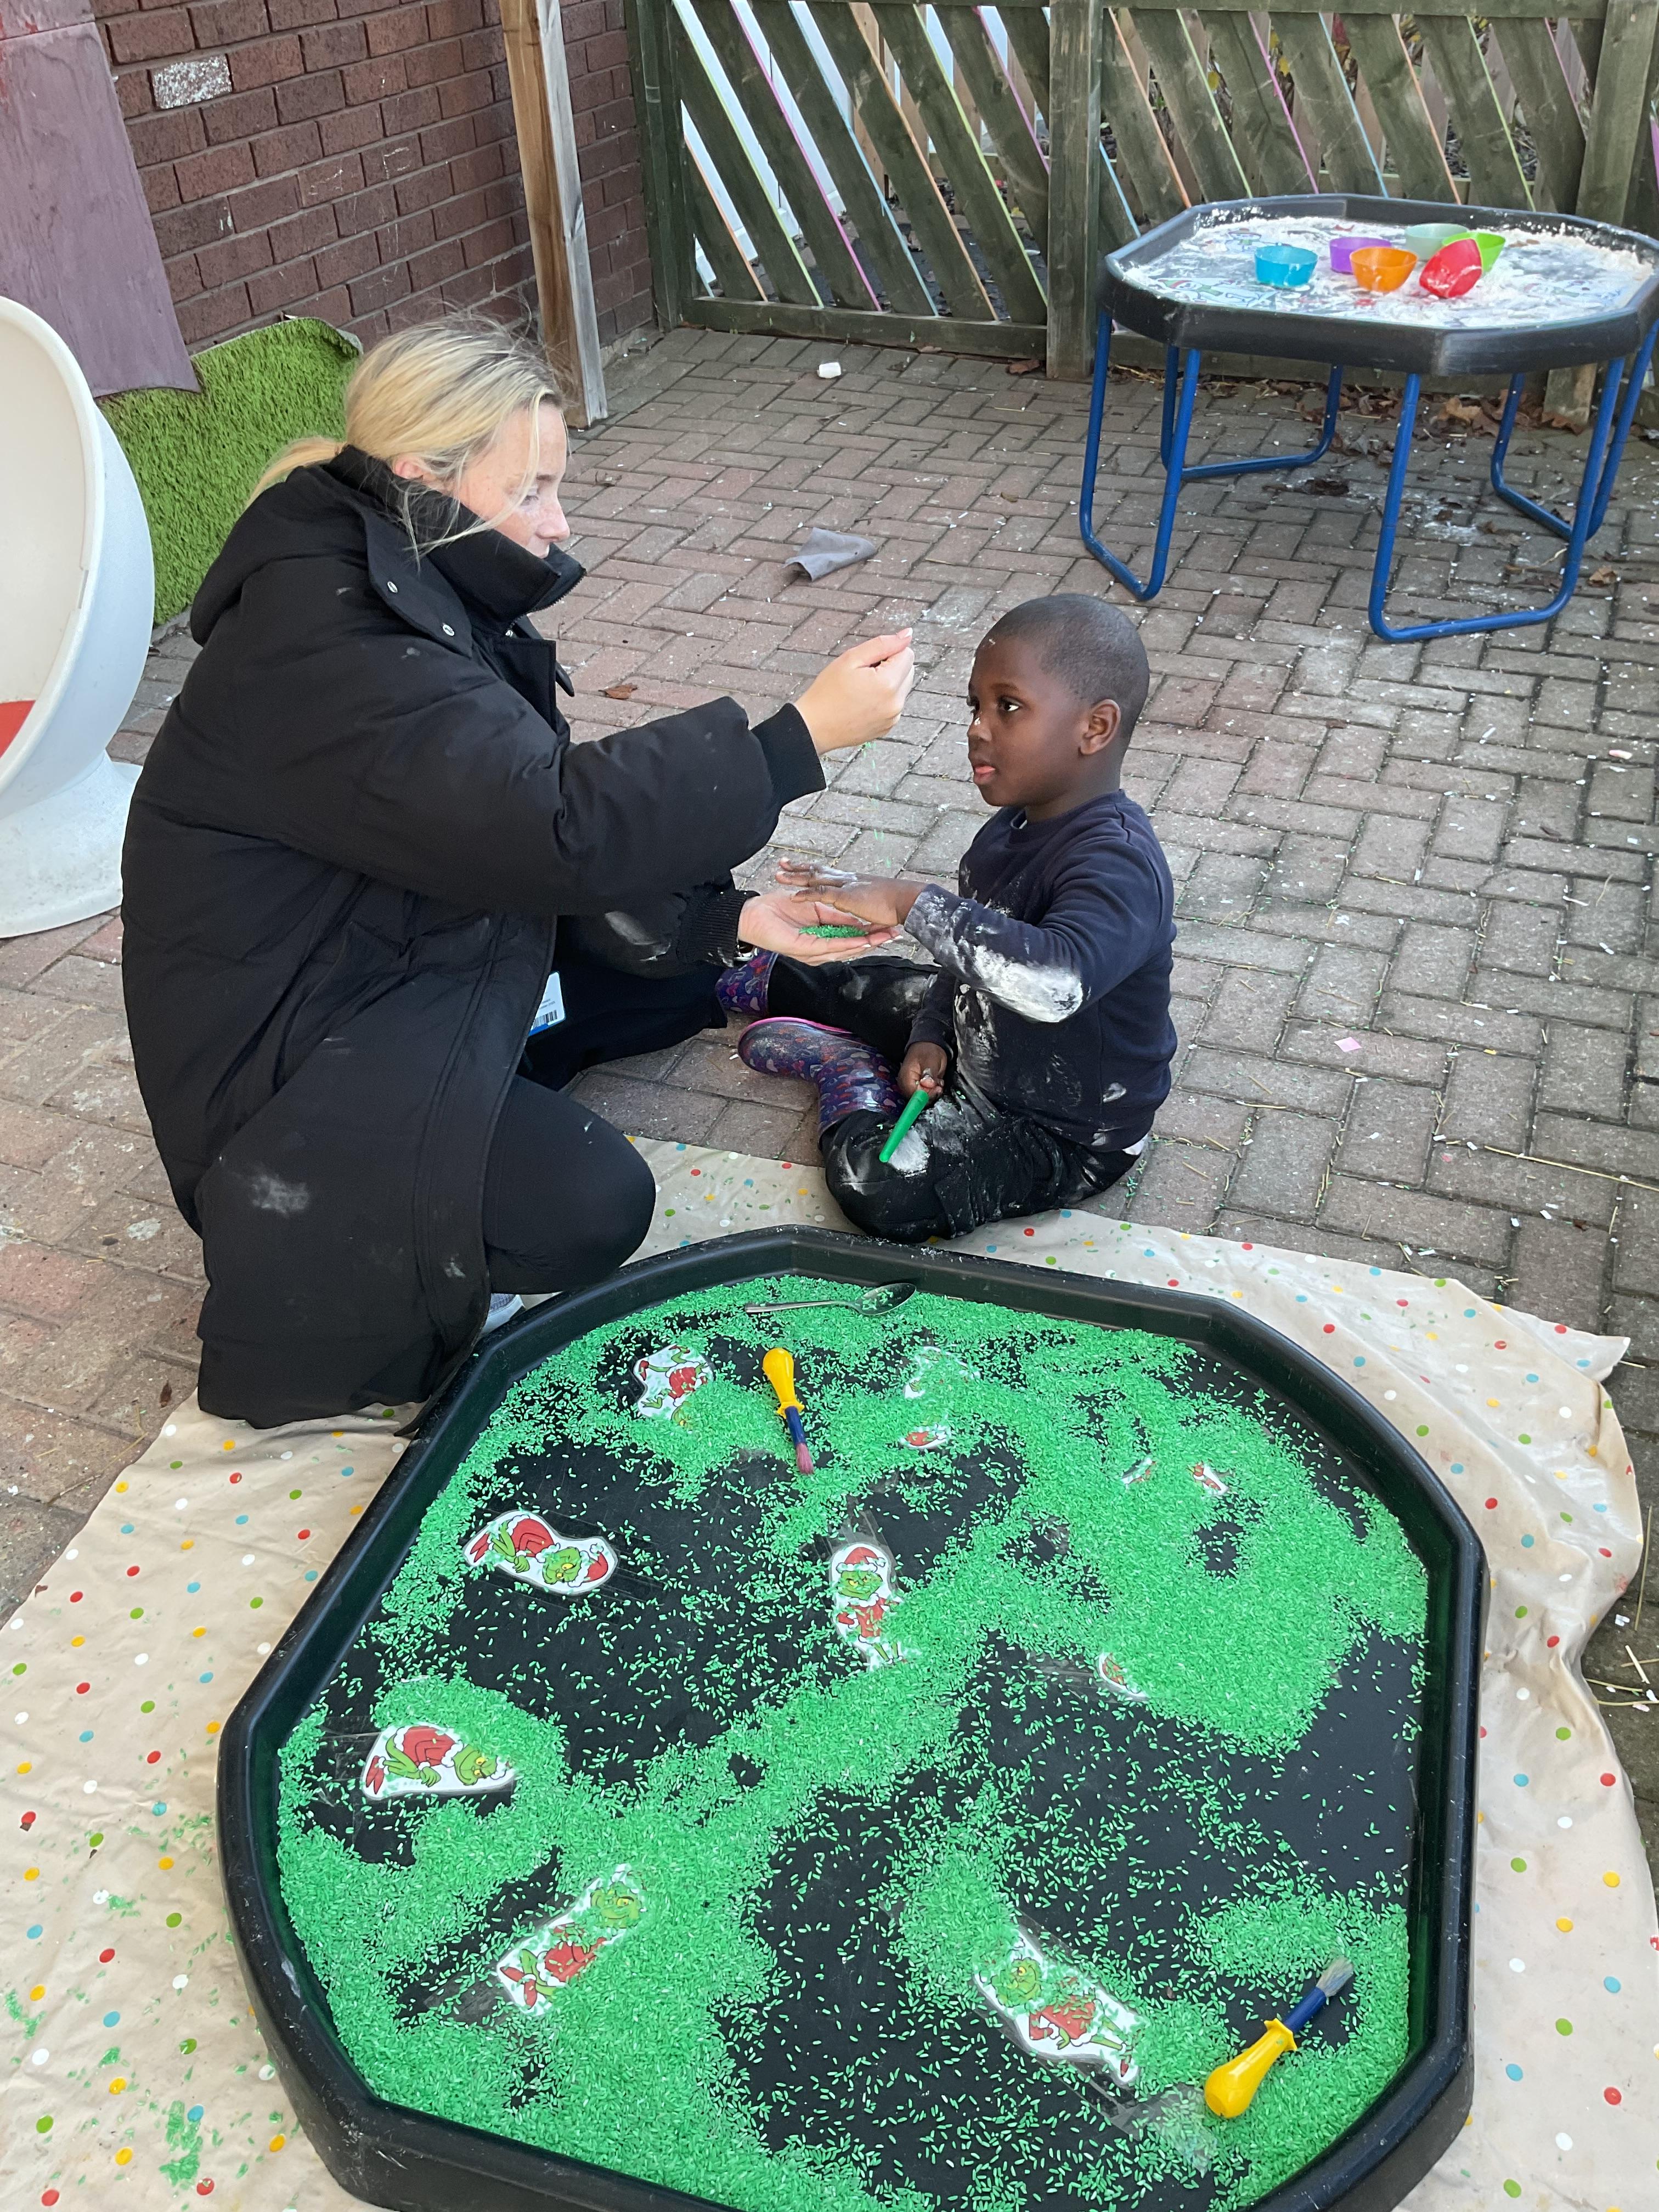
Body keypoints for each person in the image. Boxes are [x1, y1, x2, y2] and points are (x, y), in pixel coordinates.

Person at [120, 318, 912, 1427]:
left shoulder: (392, 565)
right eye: (531, 489)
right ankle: (404, 1232)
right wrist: (796, 740)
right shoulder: (326, 637)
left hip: (383, 951)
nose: (558, 520)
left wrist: (733, 915)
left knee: (665, 965)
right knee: (590, 1202)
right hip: (283, 1065)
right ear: (423, 474)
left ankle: (737, 986)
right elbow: (550, 824)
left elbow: (505, 811)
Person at [720, 595, 1175, 1242]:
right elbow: (965, 961)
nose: (978, 729)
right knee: (868, 985)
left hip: (1060, 1131)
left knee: (877, 1184)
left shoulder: (1120, 864)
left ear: (1095, 727)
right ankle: (750, 976)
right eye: (975, 707)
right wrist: (932, 1031)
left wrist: (911, 902)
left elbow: (1056, 984)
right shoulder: (1007, 831)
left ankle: (848, 1070)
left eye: (1008, 707)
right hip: (981, 1037)